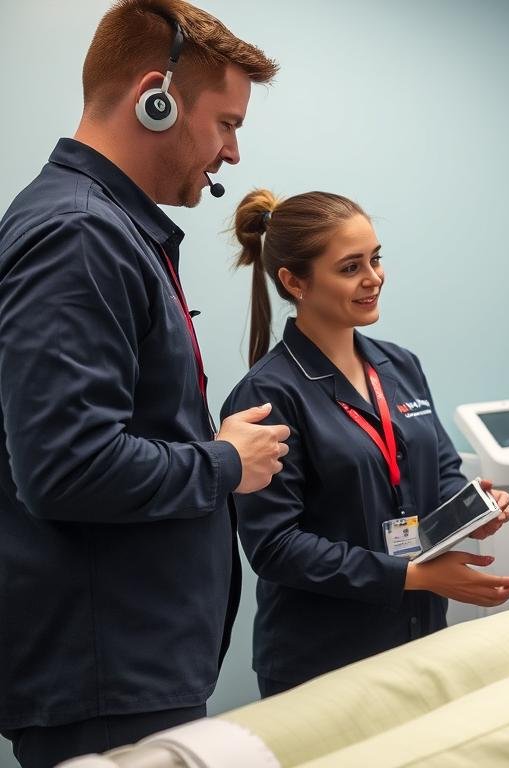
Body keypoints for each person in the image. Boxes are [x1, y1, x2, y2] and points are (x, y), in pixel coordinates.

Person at [0, 2, 282, 765]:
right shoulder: (81, 235)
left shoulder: (110, 229)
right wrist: (226, 462)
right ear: (155, 98)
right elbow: (68, 467)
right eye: (224, 124)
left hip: (130, 668)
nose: (230, 153)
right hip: (107, 678)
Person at [222, 189, 509, 697]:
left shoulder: (400, 365)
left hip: (421, 639)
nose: (373, 278)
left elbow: (443, 469)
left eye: (376, 259)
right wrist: (415, 576)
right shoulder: (268, 394)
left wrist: (477, 507)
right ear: (295, 282)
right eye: (350, 267)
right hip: (323, 661)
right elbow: (275, 547)